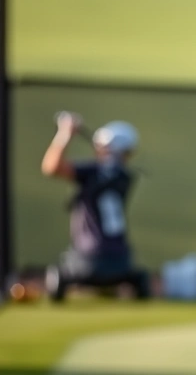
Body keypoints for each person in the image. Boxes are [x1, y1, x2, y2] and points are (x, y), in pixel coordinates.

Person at [41, 111, 150, 302]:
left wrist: (65, 134)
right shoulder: (125, 176)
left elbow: (51, 167)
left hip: (86, 261)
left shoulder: (93, 172)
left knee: (60, 273)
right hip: (122, 261)